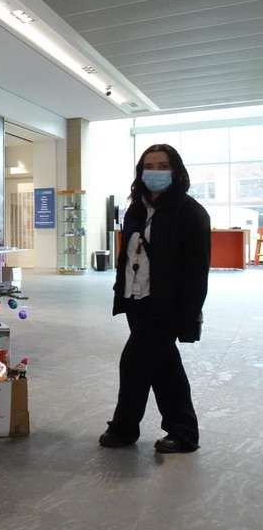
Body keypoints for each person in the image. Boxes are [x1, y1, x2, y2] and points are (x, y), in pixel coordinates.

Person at [100, 144, 210, 454]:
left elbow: (197, 272)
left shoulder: (191, 213)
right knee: (163, 365)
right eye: (150, 165)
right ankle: (183, 431)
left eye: (163, 165)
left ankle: (124, 427)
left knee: (134, 361)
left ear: (175, 171)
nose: (156, 172)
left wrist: (189, 314)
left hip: (168, 304)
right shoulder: (136, 209)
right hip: (137, 299)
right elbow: (128, 255)